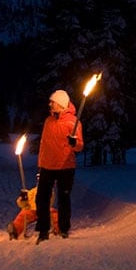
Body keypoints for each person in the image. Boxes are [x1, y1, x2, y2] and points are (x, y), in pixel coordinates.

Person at [34, 89, 83, 243]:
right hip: (47, 166)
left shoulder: (73, 122)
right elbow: (44, 144)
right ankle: (43, 230)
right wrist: (40, 163)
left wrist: (74, 143)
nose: (50, 104)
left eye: (53, 102)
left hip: (65, 167)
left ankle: (63, 228)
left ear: (61, 104)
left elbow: (80, 146)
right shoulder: (48, 121)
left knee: (64, 198)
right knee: (41, 198)